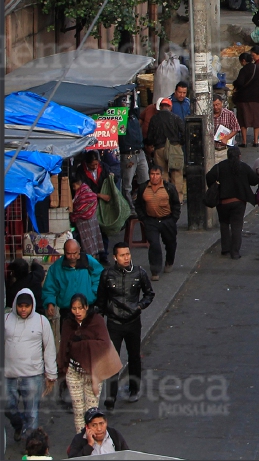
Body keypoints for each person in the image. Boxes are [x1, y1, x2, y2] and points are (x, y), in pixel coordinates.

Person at [95, 243, 153, 410]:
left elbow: (149, 293)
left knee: (134, 356)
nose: (126, 258)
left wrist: (140, 306)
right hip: (114, 322)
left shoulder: (139, 273)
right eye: (122, 255)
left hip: (133, 322)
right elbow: (101, 299)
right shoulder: (107, 275)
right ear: (115, 257)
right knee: (113, 359)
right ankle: (111, 396)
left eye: (128, 254)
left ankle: (134, 389)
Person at [58, 296, 121, 434]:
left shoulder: (96, 320)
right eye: (74, 308)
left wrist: (80, 344)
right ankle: (81, 441)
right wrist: (61, 368)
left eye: (80, 308)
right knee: (78, 410)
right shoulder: (68, 323)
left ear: (86, 307)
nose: (77, 312)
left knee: (92, 411)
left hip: (93, 372)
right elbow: (64, 346)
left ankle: (93, 440)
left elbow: (104, 343)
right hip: (74, 372)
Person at [5, 289, 56, 443]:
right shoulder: (6, 319)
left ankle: (31, 447)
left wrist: (51, 375)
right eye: (20, 306)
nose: (23, 309)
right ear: (15, 305)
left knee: (32, 414)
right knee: (7, 407)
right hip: (8, 375)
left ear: (32, 306)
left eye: (26, 306)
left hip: (33, 376)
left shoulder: (41, 321)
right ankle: (19, 425)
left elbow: (49, 348)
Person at [206, 145, 259, 259]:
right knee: (236, 226)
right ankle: (235, 252)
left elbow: (209, 177)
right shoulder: (243, 167)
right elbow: (254, 180)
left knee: (224, 224)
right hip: (239, 202)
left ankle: (225, 248)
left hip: (223, 201)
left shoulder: (220, 166)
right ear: (239, 156)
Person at [132, 166, 179, 282]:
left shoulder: (169, 188)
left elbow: (176, 204)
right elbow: (138, 205)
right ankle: (155, 270)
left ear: (161, 175)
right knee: (154, 245)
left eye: (157, 174)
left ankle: (169, 261)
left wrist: (173, 219)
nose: (154, 177)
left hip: (167, 220)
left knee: (170, 243)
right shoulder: (143, 188)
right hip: (151, 221)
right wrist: (143, 218)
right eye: (152, 174)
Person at [145, 96, 185, 195]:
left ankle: (164, 197)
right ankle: (178, 199)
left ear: (161, 107)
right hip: (175, 148)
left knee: (162, 174)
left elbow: (149, 136)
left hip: (159, 148)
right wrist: (180, 143)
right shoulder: (176, 118)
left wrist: (150, 145)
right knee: (177, 174)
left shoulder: (154, 119)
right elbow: (184, 133)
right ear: (170, 107)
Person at [117, 98, 148, 203]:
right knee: (127, 185)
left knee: (145, 181)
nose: (126, 104)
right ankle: (130, 209)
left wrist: (135, 94)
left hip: (140, 152)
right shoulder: (120, 119)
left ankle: (143, 205)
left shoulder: (133, 116)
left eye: (127, 102)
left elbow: (136, 106)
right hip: (128, 155)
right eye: (123, 102)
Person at [69, 176, 105, 263]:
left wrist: (74, 213)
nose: (74, 189)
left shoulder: (85, 192)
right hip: (89, 221)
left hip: (85, 222)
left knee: (88, 241)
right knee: (90, 241)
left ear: (78, 184)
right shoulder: (84, 192)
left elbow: (79, 206)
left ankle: (91, 261)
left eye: (74, 186)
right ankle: (92, 260)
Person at [232, 53, 259, 147]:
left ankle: (244, 142)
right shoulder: (257, 69)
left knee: (243, 120)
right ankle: (256, 141)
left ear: (244, 61)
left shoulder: (244, 70)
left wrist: (235, 83)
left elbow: (240, 82)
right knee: (256, 120)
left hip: (244, 98)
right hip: (256, 98)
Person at [210, 94, 239, 164]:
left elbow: (236, 128)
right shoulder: (208, 115)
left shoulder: (229, 114)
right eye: (213, 105)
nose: (216, 107)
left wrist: (226, 138)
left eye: (218, 104)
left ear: (221, 103)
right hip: (211, 149)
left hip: (224, 149)